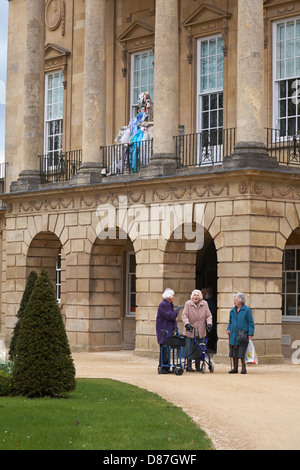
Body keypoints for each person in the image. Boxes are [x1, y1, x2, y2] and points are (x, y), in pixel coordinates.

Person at [182, 289, 212, 372]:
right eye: (194, 295)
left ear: (200, 297)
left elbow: (209, 315)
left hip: (201, 330)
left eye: (197, 295)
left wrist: (209, 324)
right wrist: (187, 324)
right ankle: (188, 366)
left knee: (200, 348)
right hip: (190, 330)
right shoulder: (188, 304)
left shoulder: (204, 304)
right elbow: (184, 315)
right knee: (189, 347)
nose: (196, 296)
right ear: (192, 296)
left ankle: (198, 366)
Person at [226, 292, 255, 374]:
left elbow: (250, 322)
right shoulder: (232, 310)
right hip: (233, 334)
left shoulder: (247, 310)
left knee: (242, 352)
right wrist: (228, 329)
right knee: (234, 352)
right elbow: (230, 322)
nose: (234, 301)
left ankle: (243, 368)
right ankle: (235, 368)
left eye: (235, 300)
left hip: (243, 333)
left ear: (240, 300)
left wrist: (250, 334)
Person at [156, 288, 182, 374]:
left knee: (168, 348)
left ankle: (167, 367)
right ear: (169, 297)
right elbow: (170, 316)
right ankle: (162, 367)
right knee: (164, 347)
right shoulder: (163, 304)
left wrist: (175, 327)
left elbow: (173, 319)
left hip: (169, 328)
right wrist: (177, 310)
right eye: (173, 296)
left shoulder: (170, 304)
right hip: (163, 329)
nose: (174, 297)